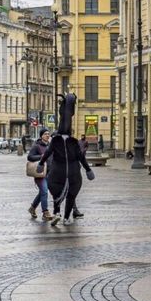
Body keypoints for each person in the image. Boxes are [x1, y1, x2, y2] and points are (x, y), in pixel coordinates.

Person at [38, 94, 93, 226]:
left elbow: (47, 153)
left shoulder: (55, 141)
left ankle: (57, 212)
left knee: (56, 191)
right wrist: (88, 169)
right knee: (71, 194)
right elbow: (81, 156)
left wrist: (41, 163)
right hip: (73, 173)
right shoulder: (73, 142)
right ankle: (66, 217)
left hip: (58, 171)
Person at [27, 128, 53, 221]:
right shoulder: (37, 146)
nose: (47, 135)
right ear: (41, 136)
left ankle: (32, 208)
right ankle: (45, 213)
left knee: (42, 192)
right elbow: (30, 157)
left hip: (50, 173)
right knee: (45, 191)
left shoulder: (50, 146)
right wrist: (40, 156)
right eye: (45, 134)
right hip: (40, 173)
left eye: (48, 134)